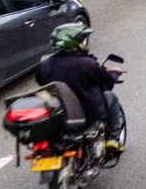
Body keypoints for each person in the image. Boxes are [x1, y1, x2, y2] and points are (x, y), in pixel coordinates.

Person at [36, 22, 126, 156]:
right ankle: (113, 139)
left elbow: (41, 81)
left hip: (59, 115)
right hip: (88, 114)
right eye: (81, 40)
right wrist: (114, 73)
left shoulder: (45, 65)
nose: (84, 43)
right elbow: (106, 79)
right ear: (73, 43)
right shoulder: (86, 63)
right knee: (111, 97)